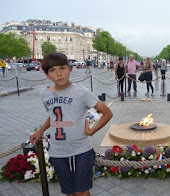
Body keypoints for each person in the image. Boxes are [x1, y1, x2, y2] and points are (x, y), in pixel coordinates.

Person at [29, 52, 113, 196]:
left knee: (82, 192)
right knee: (69, 192)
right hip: (58, 152)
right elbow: (53, 117)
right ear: (47, 75)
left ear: (70, 69)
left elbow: (107, 113)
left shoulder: (81, 92)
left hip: (80, 150)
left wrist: (91, 131)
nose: (59, 74)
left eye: (62, 68)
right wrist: (40, 131)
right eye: (52, 70)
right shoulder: (45, 94)